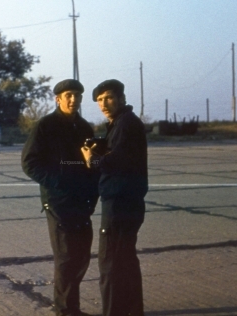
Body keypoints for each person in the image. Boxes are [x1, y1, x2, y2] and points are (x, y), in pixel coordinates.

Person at [21, 79, 99, 316]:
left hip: (81, 203)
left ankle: (71, 307)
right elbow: (29, 163)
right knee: (66, 260)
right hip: (58, 203)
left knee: (81, 257)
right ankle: (65, 311)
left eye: (77, 95)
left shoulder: (84, 127)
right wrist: (58, 183)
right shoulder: (45, 126)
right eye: (68, 95)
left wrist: (91, 192)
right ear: (58, 99)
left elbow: (89, 164)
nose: (73, 99)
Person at [81, 79, 148, 316]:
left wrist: (92, 159)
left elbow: (114, 162)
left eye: (108, 98)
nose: (103, 104)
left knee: (110, 266)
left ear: (121, 98)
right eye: (99, 100)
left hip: (119, 205)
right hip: (129, 203)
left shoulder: (125, 124)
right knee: (126, 262)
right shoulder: (121, 123)